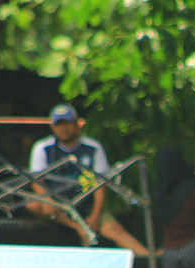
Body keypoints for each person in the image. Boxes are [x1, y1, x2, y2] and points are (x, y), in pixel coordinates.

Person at [27, 103, 149, 255]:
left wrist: (96, 215)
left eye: (68, 123)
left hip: (86, 203)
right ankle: (79, 228)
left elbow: (100, 183)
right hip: (58, 204)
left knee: (115, 230)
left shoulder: (93, 147)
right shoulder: (42, 147)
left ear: (77, 124)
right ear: (53, 127)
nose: (64, 128)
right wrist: (49, 200)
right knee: (35, 203)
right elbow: (37, 181)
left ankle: (151, 259)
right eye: (59, 124)